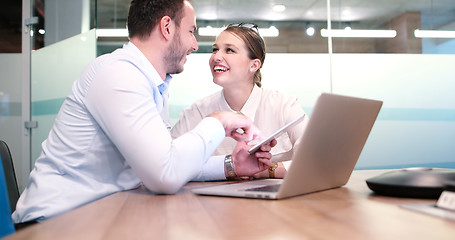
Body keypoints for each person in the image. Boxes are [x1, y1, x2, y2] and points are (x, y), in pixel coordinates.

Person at [12, 0, 275, 223]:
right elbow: (165, 175)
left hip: (98, 215)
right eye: (191, 31)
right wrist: (219, 120)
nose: (195, 45)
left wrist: (231, 165)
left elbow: (167, 160)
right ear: (167, 27)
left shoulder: (151, 84)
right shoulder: (117, 74)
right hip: (53, 223)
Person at [171, 23, 309, 179]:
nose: (216, 57)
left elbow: (316, 158)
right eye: (215, 49)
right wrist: (230, 167)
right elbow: (168, 164)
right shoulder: (197, 112)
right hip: (214, 201)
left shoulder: (284, 105)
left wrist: (268, 170)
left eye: (229, 50)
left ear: (254, 65)